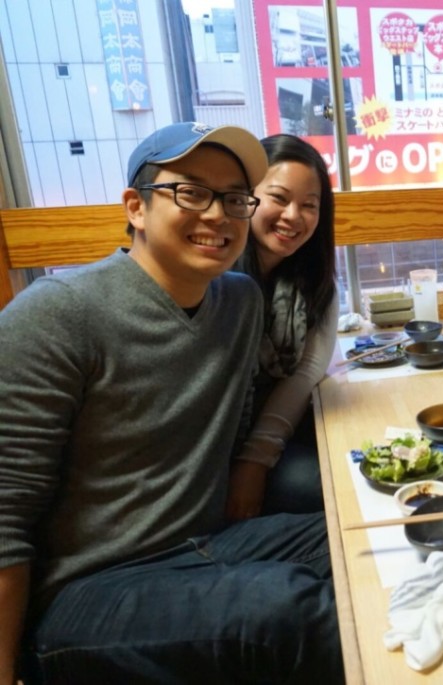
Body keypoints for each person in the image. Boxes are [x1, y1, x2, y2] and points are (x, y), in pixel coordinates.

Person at [0, 122, 342, 683]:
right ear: (136, 206)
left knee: (375, 537)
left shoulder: (239, 303)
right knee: (287, 613)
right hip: (87, 590)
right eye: (190, 192)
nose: (216, 215)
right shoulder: (56, 316)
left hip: (205, 543)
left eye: (233, 198)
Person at [228, 134, 338, 519]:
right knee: (318, 488)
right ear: (246, 196)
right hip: (217, 447)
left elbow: (305, 373)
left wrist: (255, 460)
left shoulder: (316, 283)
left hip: (274, 432)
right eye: (279, 198)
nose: (294, 216)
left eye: (309, 205)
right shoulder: (217, 277)